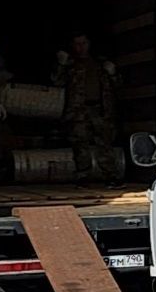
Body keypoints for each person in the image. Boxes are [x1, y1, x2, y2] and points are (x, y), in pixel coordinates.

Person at [53, 32, 123, 185]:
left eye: (83, 43)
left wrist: (113, 73)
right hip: (78, 110)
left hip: (100, 109)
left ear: (89, 44)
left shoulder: (101, 63)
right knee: (80, 144)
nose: (80, 47)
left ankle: (110, 176)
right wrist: (61, 65)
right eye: (77, 44)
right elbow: (57, 83)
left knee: (104, 144)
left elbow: (117, 86)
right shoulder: (70, 65)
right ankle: (83, 176)